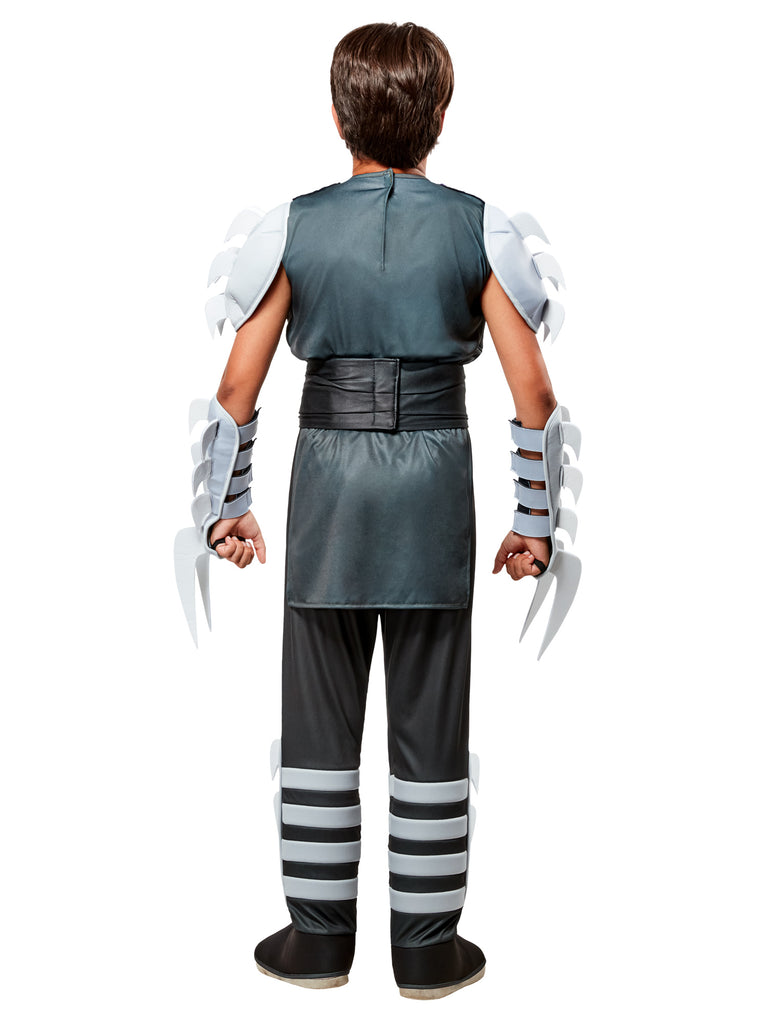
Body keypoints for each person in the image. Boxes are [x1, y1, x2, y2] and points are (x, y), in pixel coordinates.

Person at [177, 21, 580, 999]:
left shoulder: (296, 226)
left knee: (318, 717)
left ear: (336, 116)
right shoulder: (479, 228)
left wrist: (227, 508)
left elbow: (236, 386)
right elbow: (534, 393)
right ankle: (426, 950)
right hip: (434, 490)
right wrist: (535, 523)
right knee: (431, 722)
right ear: (440, 116)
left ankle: (319, 941)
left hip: (330, 490)